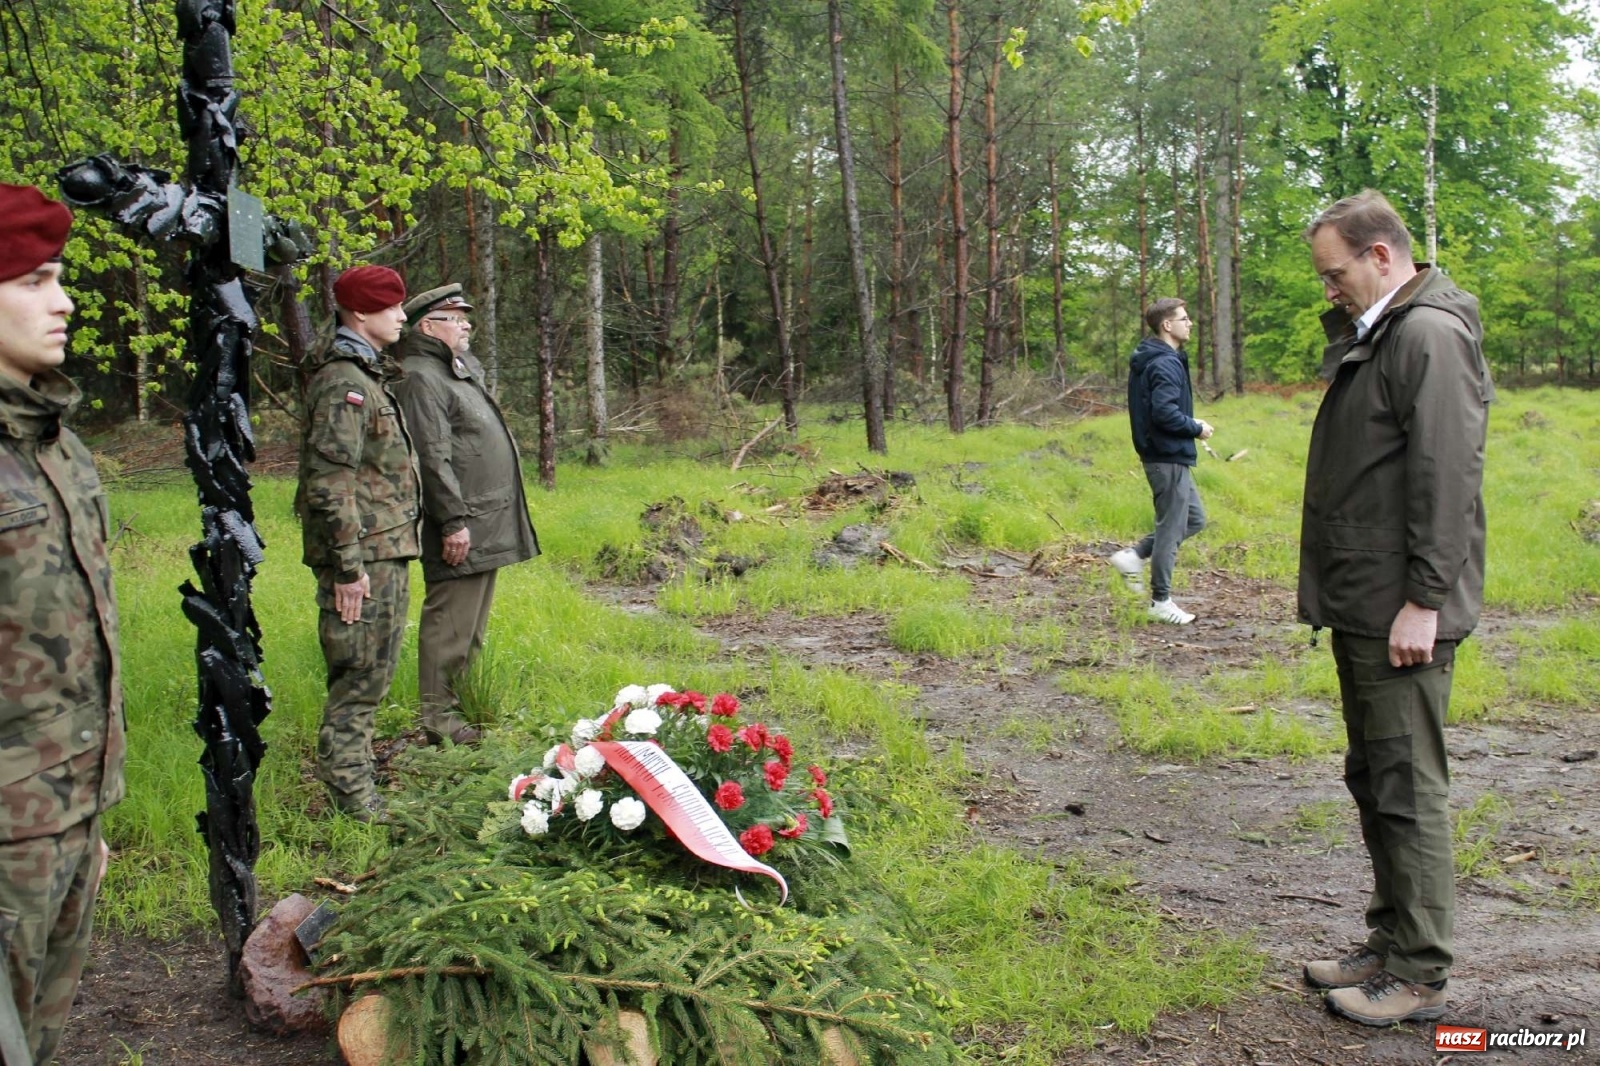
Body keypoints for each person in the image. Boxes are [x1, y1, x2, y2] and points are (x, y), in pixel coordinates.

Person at [1298, 190, 1492, 1026]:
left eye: (1336, 272)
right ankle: (1389, 940)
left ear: (1382, 257)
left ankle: (1418, 975)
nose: (1330, 288)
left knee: (1408, 786)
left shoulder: (1429, 336)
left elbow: (1446, 478)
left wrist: (1424, 598)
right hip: (1365, 599)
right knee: (1375, 776)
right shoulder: (1384, 329)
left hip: (1400, 610)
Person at [0, 183, 124, 1064]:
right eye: (36, 279)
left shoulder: (57, 444)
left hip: (66, 818)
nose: (65, 299)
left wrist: (90, 819)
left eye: (60, 277)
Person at [295, 265, 421, 820]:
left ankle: (358, 782)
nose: (401, 316)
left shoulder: (367, 376)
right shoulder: (342, 383)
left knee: (375, 672)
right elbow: (329, 482)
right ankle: (353, 801)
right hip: (364, 556)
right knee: (358, 678)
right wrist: (349, 569)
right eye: (391, 307)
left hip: (384, 549)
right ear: (361, 313)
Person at [392, 284, 538, 745]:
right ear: (427, 326)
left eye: (464, 317)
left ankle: (459, 717)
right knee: (450, 626)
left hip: (483, 521)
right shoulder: (420, 376)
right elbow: (432, 457)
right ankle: (439, 725)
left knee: (469, 629)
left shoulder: (449, 370)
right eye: (455, 317)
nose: (466, 324)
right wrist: (452, 521)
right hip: (461, 525)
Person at [1108, 297, 1214, 624]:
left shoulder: (1159, 358)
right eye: (1184, 318)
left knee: (1194, 519)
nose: (1190, 323)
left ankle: (1134, 555)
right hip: (1165, 455)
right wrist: (1196, 427)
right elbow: (1164, 413)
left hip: (1167, 454)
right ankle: (1160, 601)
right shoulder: (1164, 363)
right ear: (1167, 325)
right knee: (1170, 528)